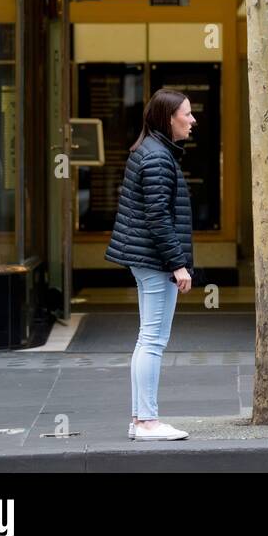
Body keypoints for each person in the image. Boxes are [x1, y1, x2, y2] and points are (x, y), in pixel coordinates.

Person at [104, 87, 196, 442]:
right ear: (168, 118)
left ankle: (140, 418)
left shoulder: (152, 151)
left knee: (147, 339)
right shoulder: (158, 158)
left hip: (147, 259)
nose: (192, 120)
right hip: (155, 260)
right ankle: (147, 422)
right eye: (186, 114)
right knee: (154, 340)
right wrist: (179, 265)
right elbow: (158, 217)